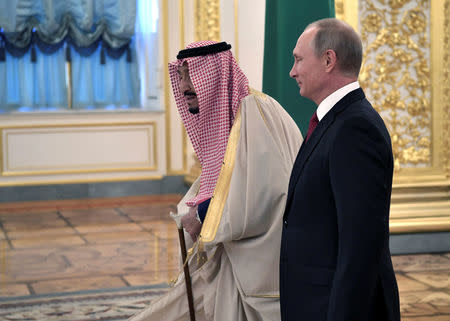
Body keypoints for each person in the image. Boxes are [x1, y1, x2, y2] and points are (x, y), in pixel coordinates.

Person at [128, 41, 302, 321]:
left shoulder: (255, 113)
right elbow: (225, 179)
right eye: (181, 76)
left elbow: (266, 191)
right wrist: (196, 207)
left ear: (214, 75)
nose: (184, 86)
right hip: (233, 254)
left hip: (261, 260)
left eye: (190, 75)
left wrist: (204, 213)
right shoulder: (235, 116)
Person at [280, 18, 401, 321]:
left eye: (298, 59)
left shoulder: (355, 128)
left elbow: (360, 245)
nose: (292, 71)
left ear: (328, 60)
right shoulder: (334, 121)